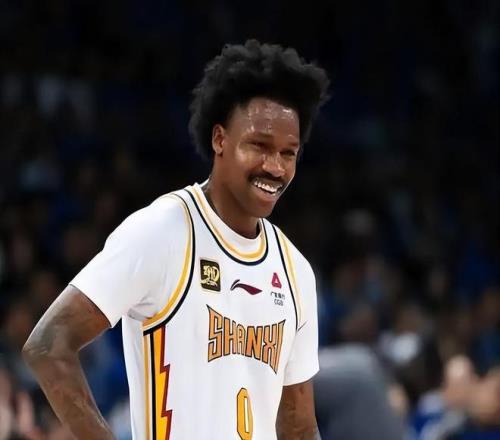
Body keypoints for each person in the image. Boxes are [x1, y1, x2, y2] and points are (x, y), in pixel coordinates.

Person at [22, 39, 330, 439]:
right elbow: (48, 345)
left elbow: (300, 428)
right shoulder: (163, 232)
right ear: (220, 139)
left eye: (288, 153)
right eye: (259, 145)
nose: (274, 166)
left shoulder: (294, 270)